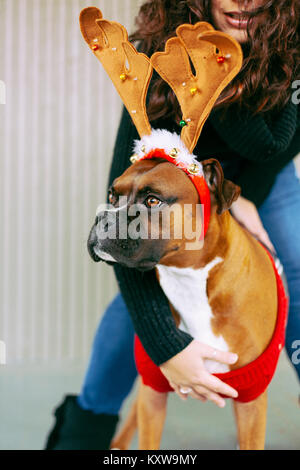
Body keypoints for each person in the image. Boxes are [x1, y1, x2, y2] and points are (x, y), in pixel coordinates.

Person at [45, 0, 300, 450]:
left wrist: (246, 200)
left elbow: (281, 144)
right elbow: (123, 223)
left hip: (259, 181)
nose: (244, 1)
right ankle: (84, 432)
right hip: (169, 184)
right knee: (137, 296)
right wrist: (166, 345)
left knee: (295, 269)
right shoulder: (159, 59)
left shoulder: (293, 47)